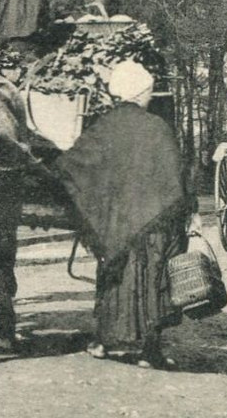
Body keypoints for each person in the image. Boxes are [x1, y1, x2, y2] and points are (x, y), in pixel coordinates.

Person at [52, 61, 191, 369]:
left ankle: (101, 341)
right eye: (148, 91)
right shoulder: (157, 127)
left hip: (113, 224)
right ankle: (149, 350)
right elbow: (175, 177)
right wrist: (184, 211)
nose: (149, 96)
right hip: (152, 226)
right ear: (141, 92)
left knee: (110, 277)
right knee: (153, 281)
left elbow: (70, 166)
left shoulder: (103, 126)